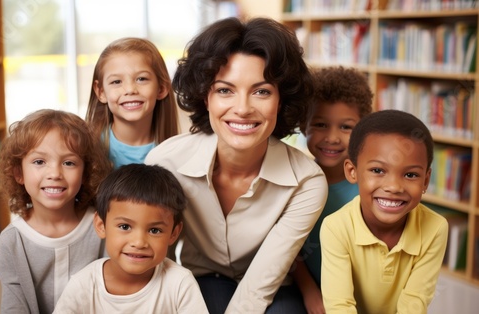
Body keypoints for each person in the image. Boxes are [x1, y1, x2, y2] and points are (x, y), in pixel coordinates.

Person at [146, 17, 328, 314]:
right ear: (205, 96)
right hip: (201, 279)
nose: (243, 109)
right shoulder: (165, 163)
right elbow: (154, 260)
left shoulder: (306, 182)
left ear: (281, 100)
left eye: (262, 91)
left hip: (272, 285)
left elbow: (262, 282)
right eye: (225, 90)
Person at [320, 109, 449, 313]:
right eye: (378, 170)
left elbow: (414, 303)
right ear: (352, 172)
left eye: (410, 174)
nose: (394, 187)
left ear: (425, 180)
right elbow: (339, 306)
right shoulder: (336, 227)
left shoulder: (435, 227)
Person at [0, 109, 112, 314]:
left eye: (69, 163)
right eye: (39, 162)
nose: (55, 174)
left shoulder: (101, 227)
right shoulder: (11, 241)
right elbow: (13, 307)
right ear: (18, 173)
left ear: (85, 172)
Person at [53, 164, 209, 313]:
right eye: (125, 227)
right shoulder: (83, 284)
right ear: (101, 225)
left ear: (174, 233)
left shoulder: (180, 284)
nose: (139, 242)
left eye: (154, 230)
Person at [292, 66, 373, 314]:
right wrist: (310, 292)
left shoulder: (369, 189)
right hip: (309, 294)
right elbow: (291, 252)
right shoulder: (296, 183)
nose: (333, 137)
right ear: (303, 124)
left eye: (346, 127)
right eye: (320, 124)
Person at [86, 37, 179, 169]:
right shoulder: (87, 150)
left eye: (141, 79)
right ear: (101, 92)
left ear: (162, 88)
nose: (130, 90)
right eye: (116, 82)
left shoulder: (178, 153)